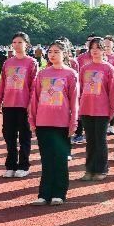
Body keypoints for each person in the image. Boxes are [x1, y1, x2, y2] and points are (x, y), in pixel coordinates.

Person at [28, 40, 78, 205]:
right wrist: (32, 119)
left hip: (61, 123)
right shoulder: (42, 74)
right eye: (50, 52)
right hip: (43, 122)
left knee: (60, 159)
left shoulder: (71, 74)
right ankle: (44, 194)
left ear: (65, 54)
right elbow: (35, 98)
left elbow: (74, 101)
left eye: (56, 52)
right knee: (46, 159)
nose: (52, 55)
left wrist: (73, 122)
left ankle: (59, 193)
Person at [0, 32, 38, 179]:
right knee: (9, 136)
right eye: (14, 42)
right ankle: (11, 165)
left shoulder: (32, 62)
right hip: (9, 104)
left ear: (27, 44)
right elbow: (2, 83)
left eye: (20, 42)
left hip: (24, 105)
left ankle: (24, 165)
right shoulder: (8, 63)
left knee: (24, 136)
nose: (16, 45)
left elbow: (34, 86)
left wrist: (31, 104)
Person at [77, 37, 114, 181]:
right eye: (92, 48)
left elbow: (113, 91)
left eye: (98, 48)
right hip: (86, 109)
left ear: (103, 50)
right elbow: (80, 89)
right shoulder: (85, 68)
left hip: (102, 110)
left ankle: (101, 169)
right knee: (90, 141)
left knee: (100, 140)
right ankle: (89, 169)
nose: (95, 51)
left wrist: (112, 109)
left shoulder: (109, 68)